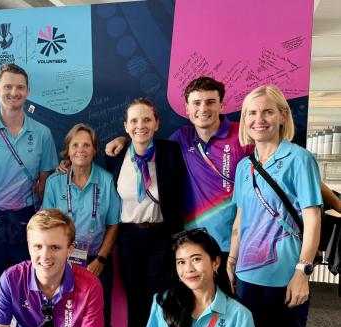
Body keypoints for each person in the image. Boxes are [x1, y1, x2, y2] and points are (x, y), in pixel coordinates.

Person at [105, 77, 341, 294]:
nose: (203, 109)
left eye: (210, 102)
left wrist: (338, 205)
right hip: (193, 245)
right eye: (196, 103)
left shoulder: (244, 135)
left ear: (222, 105)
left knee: (234, 313)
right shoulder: (181, 138)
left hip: (237, 246)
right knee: (196, 314)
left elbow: (301, 174)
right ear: (187, 109)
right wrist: (124, 141)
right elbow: (146, 144)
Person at [227, 85, 322, 327]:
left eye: (268, 111)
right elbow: (241, 217)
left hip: (285, 278)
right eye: (252, 113)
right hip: (248, 278)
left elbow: (313, 219)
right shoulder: (245, 166)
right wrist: (232, 260)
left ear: (283, 116)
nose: (259, 119)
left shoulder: (299, 159)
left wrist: (302, 272)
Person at [105, 97, 185, 327]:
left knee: (159, 303)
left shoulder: (170, 151)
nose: (141, 126)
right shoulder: (116, 155)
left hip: (161, 237)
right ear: (126, 126)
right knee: (136, 305)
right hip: (129, 239)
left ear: (156, 123)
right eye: (134, 121)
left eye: (147, 120)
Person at [42, 124, 121, 327]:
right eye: (75, 145)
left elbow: (113, 224)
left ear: (95, 150)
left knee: (99, 321)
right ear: (67, 150)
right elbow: (46, 224)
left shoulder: (106, 180)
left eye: (86, 145)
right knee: (60, 317)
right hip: (60, 263)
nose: (80, 150)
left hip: (96, 261)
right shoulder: (55, 183)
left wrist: (101, 259)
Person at [0, 63, 58, 304]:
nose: (13, 92)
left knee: (27, 289)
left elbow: (44, 182)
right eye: (7, 87)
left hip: (26, 224)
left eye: (19, 87)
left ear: (28, 91)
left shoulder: (42, 134)